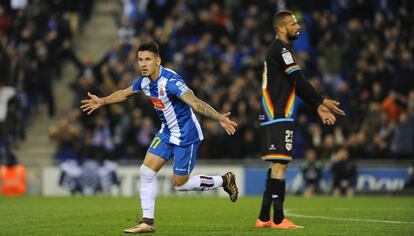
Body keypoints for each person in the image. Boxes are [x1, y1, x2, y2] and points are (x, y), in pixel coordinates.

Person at [80, 42, 239, 234]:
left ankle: (224, 180)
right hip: (166, 133)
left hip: (186, 136)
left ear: (158, 60)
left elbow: (195, 102)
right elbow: (125, 93)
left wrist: (219, 116)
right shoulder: (144, 82)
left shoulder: (171, 81)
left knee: (180, 185)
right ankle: (147, 222)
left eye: (148, 59)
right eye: (140, 59)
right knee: (146, 172)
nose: (143, 64)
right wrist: (103, 101)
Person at [255, 10, 345, 229]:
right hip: (278, 113)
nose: (298, 27)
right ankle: (278, 219)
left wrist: (317, 106)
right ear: (281, 28)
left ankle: (264, 217)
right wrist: (322, 101)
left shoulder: (278, 50)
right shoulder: (281, 49)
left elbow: (296, 85)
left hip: (273, 113)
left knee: (276, 164)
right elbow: (299, 79)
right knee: (280, 164)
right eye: (294, 24)